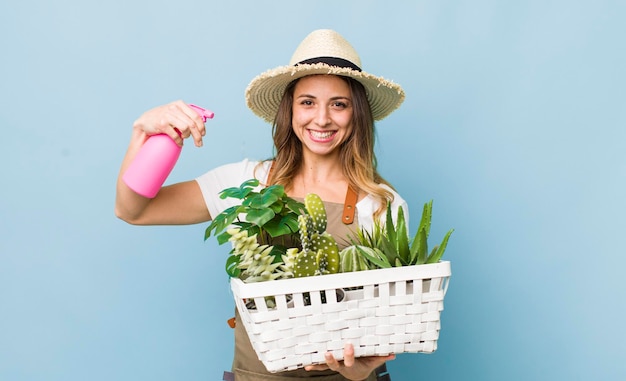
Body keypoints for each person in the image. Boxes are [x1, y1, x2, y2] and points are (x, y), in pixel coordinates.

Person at [115, 29, 407, 381]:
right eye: (308, 102)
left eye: (339, 104)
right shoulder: (246, 183)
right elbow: (133, 209)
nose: (322, 118)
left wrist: (362, 370)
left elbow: (388, 322)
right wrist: (145, 136)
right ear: (290, 110)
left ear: (356, 114)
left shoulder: (381, 204)